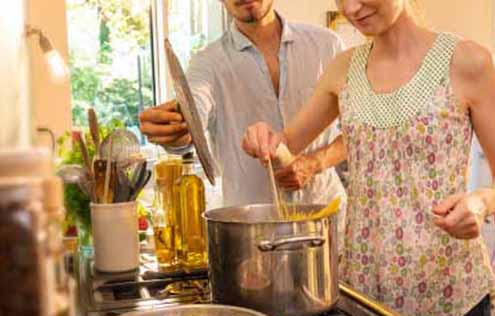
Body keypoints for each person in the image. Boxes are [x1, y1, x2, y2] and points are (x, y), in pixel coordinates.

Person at [242, 0, 495, 316]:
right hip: (364, 297)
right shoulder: (343, 69)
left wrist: (481, 200)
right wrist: (264, 138)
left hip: (449, 292)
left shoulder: (468, 62)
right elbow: (287, 145)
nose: (352, 7)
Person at [138, 0, 347, 229]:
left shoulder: (327, 45)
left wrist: (315, 162)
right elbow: (193, 112)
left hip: (328, 221)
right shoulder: (206, 64)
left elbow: (361, 129)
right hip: (251, 233)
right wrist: (176, 130)